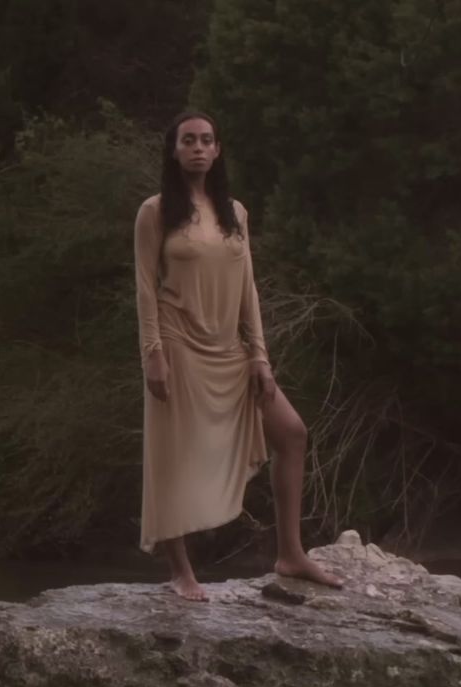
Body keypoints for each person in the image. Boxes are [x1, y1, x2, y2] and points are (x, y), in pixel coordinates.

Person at [135, 111, 343, 601]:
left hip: (231, 350)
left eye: (207, 140)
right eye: (189, 140)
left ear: (218, 150)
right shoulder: (156, 210)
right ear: (174, 150)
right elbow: (145, 286)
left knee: (291, 432)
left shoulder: (236, 212)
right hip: (179, 344)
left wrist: (260, 356)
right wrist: (152, 353)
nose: (199, 148)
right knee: (174, 457)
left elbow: (248, 287)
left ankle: (290, 553)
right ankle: (181, 571)